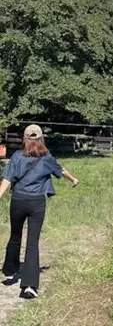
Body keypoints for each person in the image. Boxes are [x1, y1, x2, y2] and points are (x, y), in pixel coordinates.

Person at [0, 124, 79, 299]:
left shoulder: (17, 157)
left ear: (25, 139)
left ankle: (10, 270)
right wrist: (73, 179)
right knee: (32, 242)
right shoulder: (47, 157)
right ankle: (29, 286)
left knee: (15, 235)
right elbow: (61, 170)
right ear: (41, 139)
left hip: (18, 201)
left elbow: (7, 178)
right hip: (37, 203)